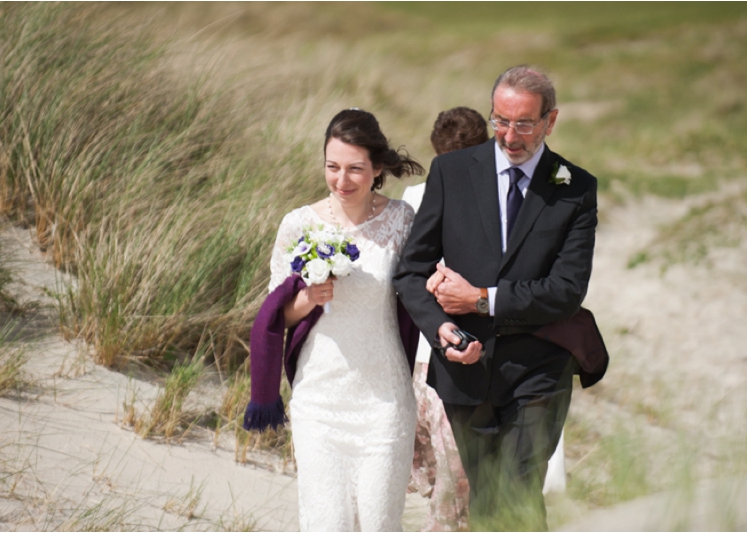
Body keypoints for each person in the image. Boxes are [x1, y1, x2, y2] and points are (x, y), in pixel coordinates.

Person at [393, 66, 604, 530]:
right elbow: (411, 272)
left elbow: (566, 291)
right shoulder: (450, 172)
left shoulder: (577, 188)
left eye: (524, 124)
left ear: (550, 121)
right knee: (487, 498)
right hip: (464, 367)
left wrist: (481, 299)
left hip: (540, 367)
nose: (509, 136)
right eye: (500, 121)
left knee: (518, 489)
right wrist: (443, 328)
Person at [244, 108, 425, 531]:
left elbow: (420, 291)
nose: (342, 181)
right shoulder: (298, 224)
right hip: (319, 401)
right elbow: (278, 314)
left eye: (355, 169)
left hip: (385, 401)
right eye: (333, 167)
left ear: (378, 168)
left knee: (380, 523)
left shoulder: (401, 221)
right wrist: (307, 298)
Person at [403, 106, 488, 532]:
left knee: (447, 474)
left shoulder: (417, 196)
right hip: (438, 353)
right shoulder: (418, 198)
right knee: (453, 475)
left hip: (431, 353)